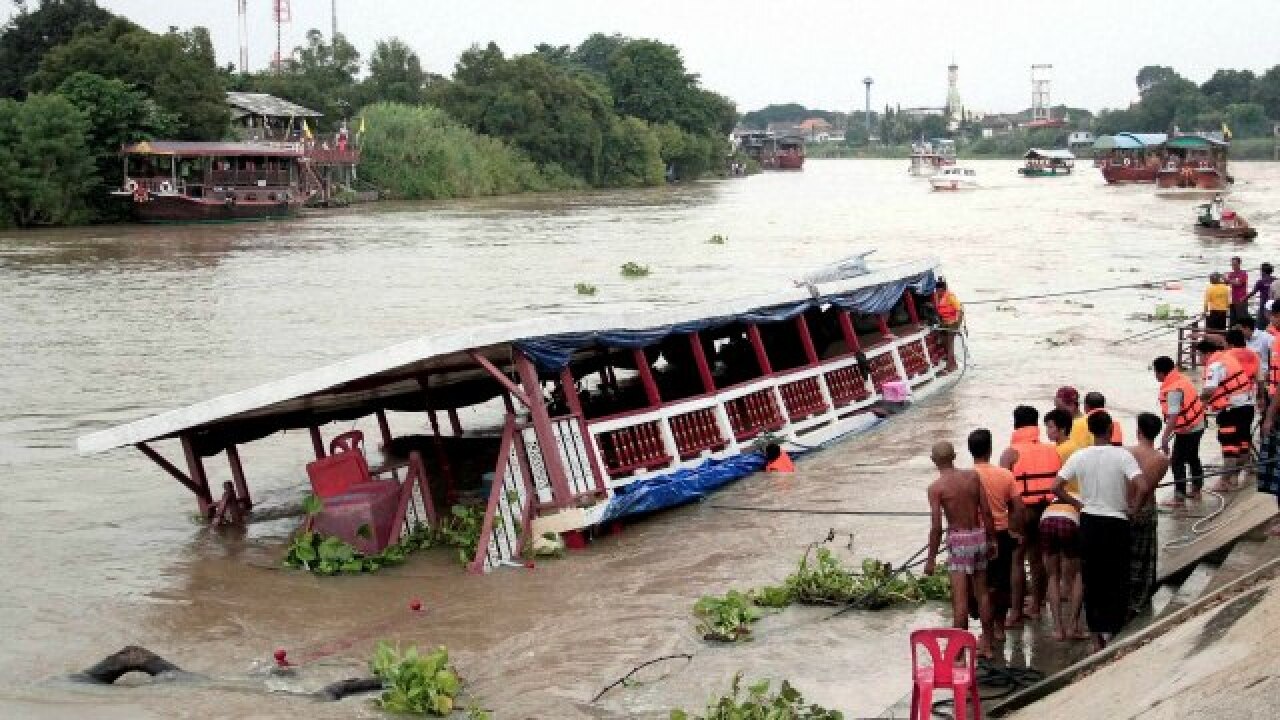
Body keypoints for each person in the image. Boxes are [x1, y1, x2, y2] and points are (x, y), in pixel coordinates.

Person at [1053, 411, 1146, 651]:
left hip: (1089, 521)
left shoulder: (1079, 456)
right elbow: (1143, 486)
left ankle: (1096, 636)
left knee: (1092, 578)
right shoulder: (1122, 455)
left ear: (1091, 431)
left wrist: (1077, 504)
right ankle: (1114, 629)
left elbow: (1056, 487)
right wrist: (1134, 509)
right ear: (1111, 430)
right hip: (1116, 521)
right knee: (1117, 576)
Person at [924, 441, 997, 656]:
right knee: (983, 593)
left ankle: (958, 654)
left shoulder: (936, 488)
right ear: (954, 456)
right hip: (978, 536)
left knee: (960, 599)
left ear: (933, 461)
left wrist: (930, 560)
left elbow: (936, 527)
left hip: (959, 541)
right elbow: (986, 511)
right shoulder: (973, 476)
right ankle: (988, 644)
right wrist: (992, 540)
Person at [999, 406, 1062, 628]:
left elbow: (1002, 487)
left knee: (1016, 561)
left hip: (1021, 512)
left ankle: (1015, 613)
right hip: (1046, 509)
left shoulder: (1010, 453)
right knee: (1037, 558)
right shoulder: (1052, 449)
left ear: (1016, 424)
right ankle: (1036, 604)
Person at [970, 428, 1025, 637]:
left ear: (970, 450)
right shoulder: (1005, 475)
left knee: (981, 586)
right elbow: (1018, 508)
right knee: (1002, 583)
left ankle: (987, 630)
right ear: (990, 449)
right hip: (1002, 533)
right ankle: (1000, 628)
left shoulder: (968, 477)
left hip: (977, 535)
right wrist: (1015, 530)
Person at [1038, 457, 1085, 641]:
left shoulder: (1060, 494)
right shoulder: (1084, 496)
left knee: (1052, 576)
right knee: (1077, 576)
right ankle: (1073, 626)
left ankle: (1058, 629)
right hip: (1069, 522)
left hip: (1047, 520)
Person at [1127, 413, 1169, 619]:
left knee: (1126, 556)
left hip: (1125, 507)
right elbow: (1150, 486)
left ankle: (1125, 599)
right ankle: (1140, 601)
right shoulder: (1161, 459)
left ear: (1139, 431)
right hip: (1146, 509)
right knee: (1144, 558)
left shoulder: (1126, 452)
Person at [1199, 337, 1253, 492]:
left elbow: (1209, 390)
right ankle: (1235, 478)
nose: (1200, 359)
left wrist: (1198, 404)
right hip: (1247, 406)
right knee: (1243, 444)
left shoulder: (1215, 365)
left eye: (1200, 356)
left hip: (1231, 410)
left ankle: (1224, 481)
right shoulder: (1228, 357)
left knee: (1229, 446)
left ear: (1207, 353)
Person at [1153, 355, 1207, 511]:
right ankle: (1197, 488)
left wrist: (1164, 438)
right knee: (1192, 456)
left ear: (1161, 373)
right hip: (1198, 423)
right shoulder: (1181, 378)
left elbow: (1174, 415)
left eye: (1156, 372)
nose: (1155, 376)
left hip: (1188, 429)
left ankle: (1179, 497)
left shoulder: (1172, 390)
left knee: (1177, 461)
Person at [1238, 315, 1273, 411]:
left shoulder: (1265, 337)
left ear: (1247, 328)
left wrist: (1270, 372)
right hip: (1248, 382)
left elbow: (1276, 353)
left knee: (1265, 408)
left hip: (1264, 380)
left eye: (1240, 329)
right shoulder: (1242, 341)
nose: (1239, 332)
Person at [934, 277, 964, 372]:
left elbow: (959, 310)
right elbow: (939, 310)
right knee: (943, 341)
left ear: (944, 289)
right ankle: (951, 361)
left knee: (950, 343)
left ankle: (950, 366)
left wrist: (957, 325)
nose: (938, 292)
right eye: (937, 291)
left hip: (953, 322)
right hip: (945, 322)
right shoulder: (937, 296)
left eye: (940, 291)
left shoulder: (950, 296)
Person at [1226, 257, 1249, 326]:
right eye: (1232, 264)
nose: (1233, 266)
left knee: (1242, 320)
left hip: (1241, 300)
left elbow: (1239, 283)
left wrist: (1228, 280)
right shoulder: (1230, 274)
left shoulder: (1243, 273)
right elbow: (1226, 283)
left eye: (1235, 264)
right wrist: (1223, 279)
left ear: (1239, 264)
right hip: (1232, 300)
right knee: (1232, 321)